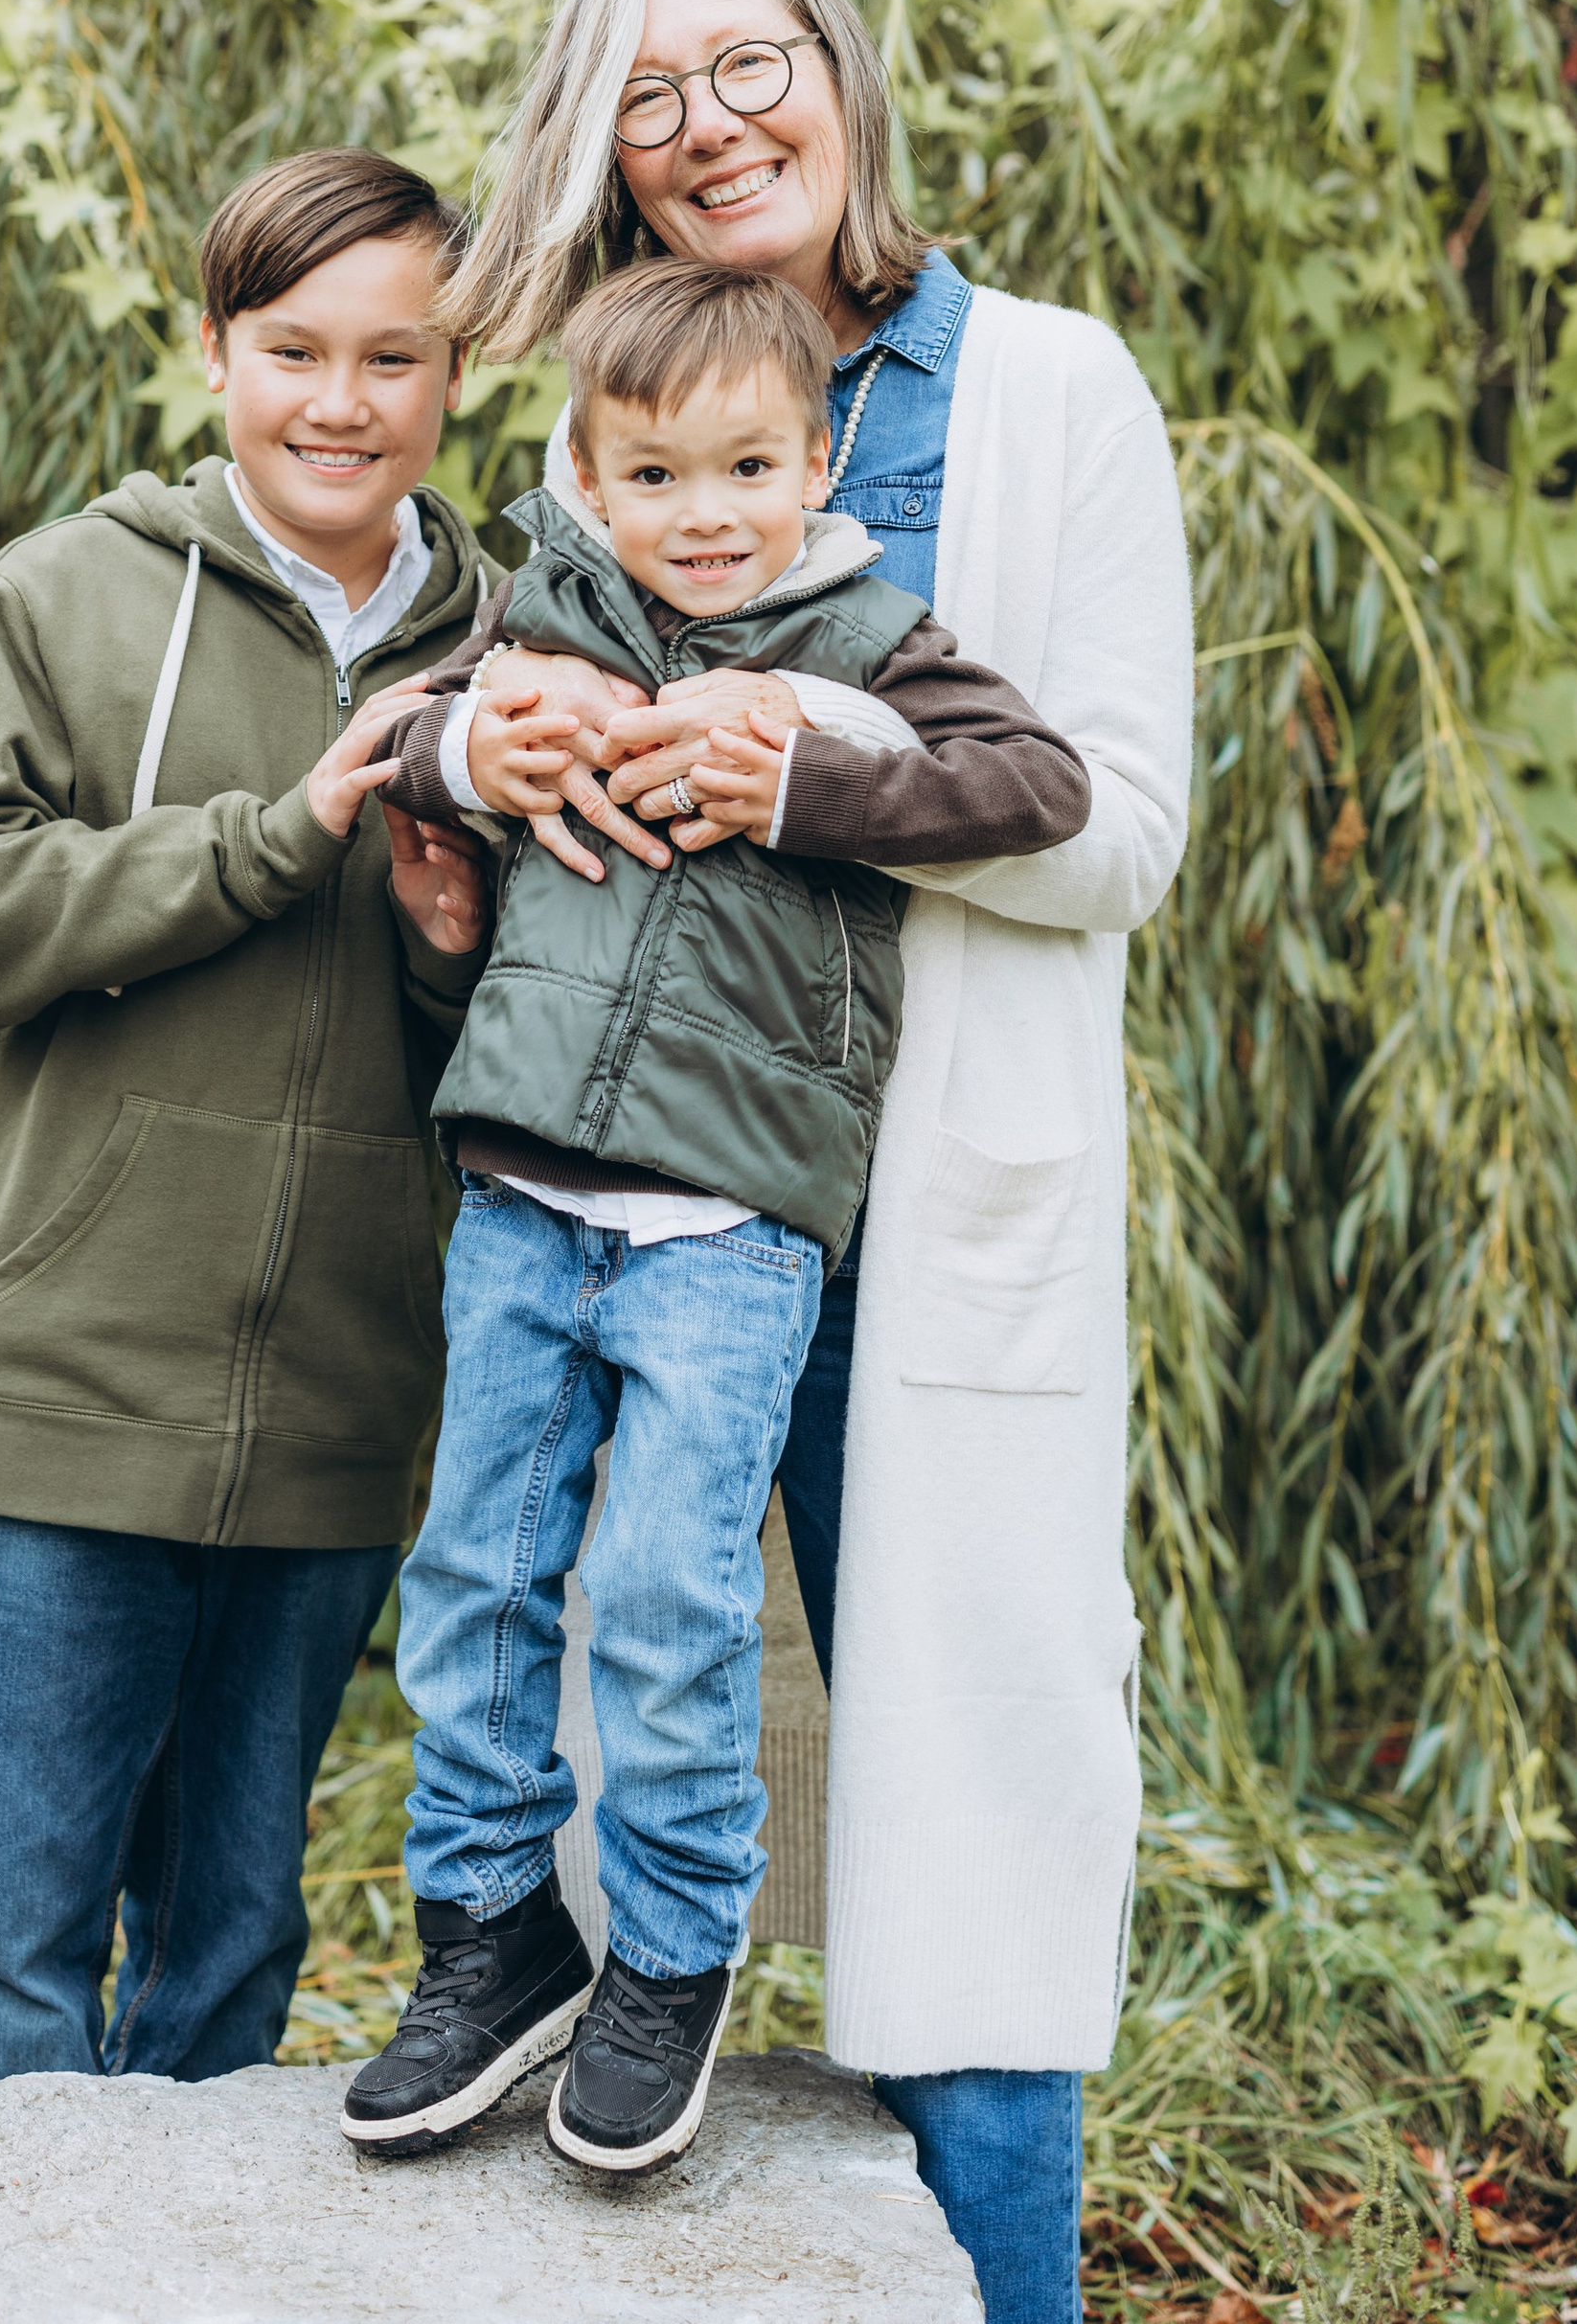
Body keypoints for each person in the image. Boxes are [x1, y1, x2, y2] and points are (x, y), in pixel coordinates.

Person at [419, 0, 1195, 2322]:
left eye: (745, 66)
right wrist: (476, 749)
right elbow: (489, 671)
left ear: (839, 78)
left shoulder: (1052, 392)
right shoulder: (614, 395)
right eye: (645, 97)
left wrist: (803, 765)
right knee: (631, 1731)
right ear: (607, 165)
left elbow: (1121, 828)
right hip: (643, 1209)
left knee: (960, 1857)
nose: (707, 126)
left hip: (925, 1234)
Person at [336, 259, 1089, 2176]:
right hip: (517, 1185)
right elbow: (398, 743)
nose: (704, 516)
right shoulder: (549, 611)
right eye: (655, 476)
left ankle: (671, 1952)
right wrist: (480, 740)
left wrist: (805, 761)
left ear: (816, 453)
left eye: (747, 468)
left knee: (670, 1598)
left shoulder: (865, 632)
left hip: (730, 1218)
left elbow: (1037, 785)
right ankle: (490, 1933)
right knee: (476, 1578)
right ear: (588, 473)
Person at [0, 148, 492, 2082]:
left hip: (326, 1414)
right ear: (212, 349)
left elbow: (537, 1047)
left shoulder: (521, 647)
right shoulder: (51, 597)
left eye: (393, 357)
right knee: (9, 1973)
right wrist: (269, 837)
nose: (341, 401)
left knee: (229, 1967)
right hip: (54, 1401)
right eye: (293, 348)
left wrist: (451, 942)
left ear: (453, 373)